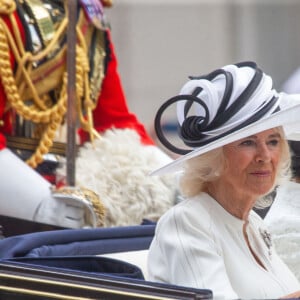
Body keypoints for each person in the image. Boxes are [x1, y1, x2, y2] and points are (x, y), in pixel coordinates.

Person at [0, 0, 175, 229]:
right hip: (16, 195)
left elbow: (114, 122)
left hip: (73, 188)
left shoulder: (86, 12)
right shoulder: (8, 15)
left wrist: (174, 179)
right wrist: (42, 205)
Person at [147, 61, 300, 300]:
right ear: (213, 158)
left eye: (272, 141)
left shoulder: (254, 225)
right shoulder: (187, 221)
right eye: (247, 142)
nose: (265, 156)